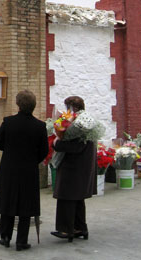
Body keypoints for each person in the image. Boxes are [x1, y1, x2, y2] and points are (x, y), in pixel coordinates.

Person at [0, 89, 49, 252]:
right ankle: (21, 241)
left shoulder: (8, 122)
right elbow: (44, 151)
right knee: (26, 205)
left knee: (7, 203)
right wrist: (32, 160)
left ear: (18, 104)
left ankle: (5, 236)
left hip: (9, 168)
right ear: (33, 106)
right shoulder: (40, 126)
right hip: (29, 170)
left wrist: (9, 149)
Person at [51, 96, 97, 243]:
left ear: (73, 108)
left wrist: (56, 144)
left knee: (67, 199)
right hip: (80, 167)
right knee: (77, 200)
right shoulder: (85, 121)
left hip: (73, 168)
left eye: (68, 107)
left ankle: (67, 229)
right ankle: (80, 228)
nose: (67, 111)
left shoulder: (81, 124)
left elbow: (76, 146)